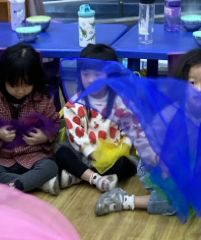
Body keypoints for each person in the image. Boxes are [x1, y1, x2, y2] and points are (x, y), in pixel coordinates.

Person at [94, 47, 201, 216]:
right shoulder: (171, 114)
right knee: (175, 202)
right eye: (192, 83)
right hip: (155, 165)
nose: (199, 89)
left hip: (184, 166)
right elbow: (147, 141)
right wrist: (161, 162)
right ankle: (125, 200)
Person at [56, 44, 141, 194]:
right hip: (84, 153)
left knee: (127, 165)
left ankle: (79, 175)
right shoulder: (76, 102)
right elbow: (76, 133)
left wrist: (124, 148)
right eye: (85, 74)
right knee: (61, 152)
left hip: (113, 154)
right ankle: (95, 178)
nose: (90, 80)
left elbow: (131, 127)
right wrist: (90, 152)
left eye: (97, 74)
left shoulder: (121, 100)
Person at [0, 42, 60, 194]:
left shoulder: (41, 99)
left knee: (51, 167)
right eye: (14, 85)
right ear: (3, 78)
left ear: (35, 81)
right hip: (6, 159)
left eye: (26, 85)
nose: (20, 91)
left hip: (36, 156)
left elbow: (56, 124)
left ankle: (16, 186)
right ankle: (35, 184)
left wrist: (44, 137)